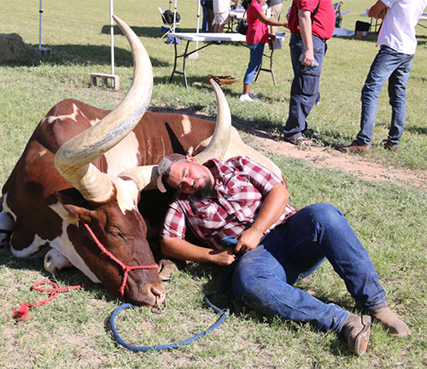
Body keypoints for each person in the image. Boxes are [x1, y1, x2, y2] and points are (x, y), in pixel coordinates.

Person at [157, 153, 411, 356]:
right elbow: (169, 243)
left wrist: (256, 230)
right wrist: (212, 256)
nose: (189, 184)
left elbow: (279, 192)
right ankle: (346, 322)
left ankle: (376, 305)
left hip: (292, 232)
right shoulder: (182, 204)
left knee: (325, 214)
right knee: (248, 282)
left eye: (187, 174)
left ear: (192, 160)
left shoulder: (237, 164)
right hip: (257, 259)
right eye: (182, 185)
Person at [338, 0, 427, 152]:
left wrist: (384, 11)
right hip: (408, 48)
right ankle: (393, 142)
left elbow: (373, 12)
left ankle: (363, 140)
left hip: (392, 46)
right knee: (398, 95)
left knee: (370, 91)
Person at [283, 0, 335, 146]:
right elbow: (304, 15)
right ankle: (293, 131)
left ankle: (299, 125)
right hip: (310, 40)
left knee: (308, 86)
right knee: (305, 87)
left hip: (314, 40)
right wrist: (309, 49)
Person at [240, 0, 288, 102]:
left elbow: (261, 24)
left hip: (258, 38)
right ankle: (244, 95)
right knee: (253, 66)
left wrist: (269, 35)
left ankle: (247, 92)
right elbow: (266, 21)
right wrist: (283, 23)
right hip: (255, 39)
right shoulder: (255, 5)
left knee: (255, 65)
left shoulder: (255, 5)